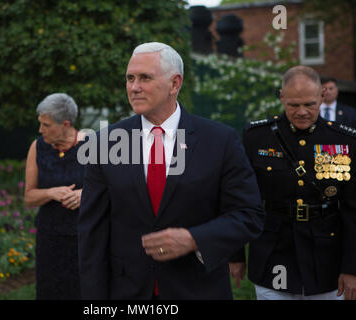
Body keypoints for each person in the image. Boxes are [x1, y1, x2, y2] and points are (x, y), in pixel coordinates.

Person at [77, 42, 265, 299]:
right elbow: (92, 234)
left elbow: (249, 214)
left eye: (145, 78)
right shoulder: (104, 143)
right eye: (130, 78)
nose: (134, 87)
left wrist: (194, 239)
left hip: (198, 289)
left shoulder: (220, 141)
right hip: (127, 293)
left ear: (175, 84)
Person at [229, 66, 356, 300]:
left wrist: (351, 267)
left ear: (322, 97)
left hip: (326, 256)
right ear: (281, 97)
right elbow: (240, 200)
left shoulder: (343, 140)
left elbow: (353, 209)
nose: (302, 112)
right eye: (293, 105)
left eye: (309, 104)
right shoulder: (256, 137)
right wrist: (236, 255)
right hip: (273, 252)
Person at [24, 93, 85, 300]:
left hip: (84, 237)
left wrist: (83, 195)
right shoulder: (38, 147)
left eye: (46, 125)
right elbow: (29, 197)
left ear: (65, 124)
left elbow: (112, 190)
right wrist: (51, 193)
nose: (41, 130)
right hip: (49, 238)